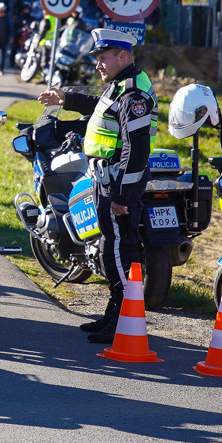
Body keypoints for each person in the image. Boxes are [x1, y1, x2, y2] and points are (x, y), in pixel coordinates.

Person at [38, 29, 158, 344]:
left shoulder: (135, 96)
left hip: (119, 183)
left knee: (120, 251)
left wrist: (123, 195)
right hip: (107, 180)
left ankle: (122, 320)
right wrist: (64, 97)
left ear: (123, 55)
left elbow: (136, 150)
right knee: (109, 249)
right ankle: (113, 312)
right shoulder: (119, 87)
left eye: (103, 58)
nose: (98, 65)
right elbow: (97, 105)